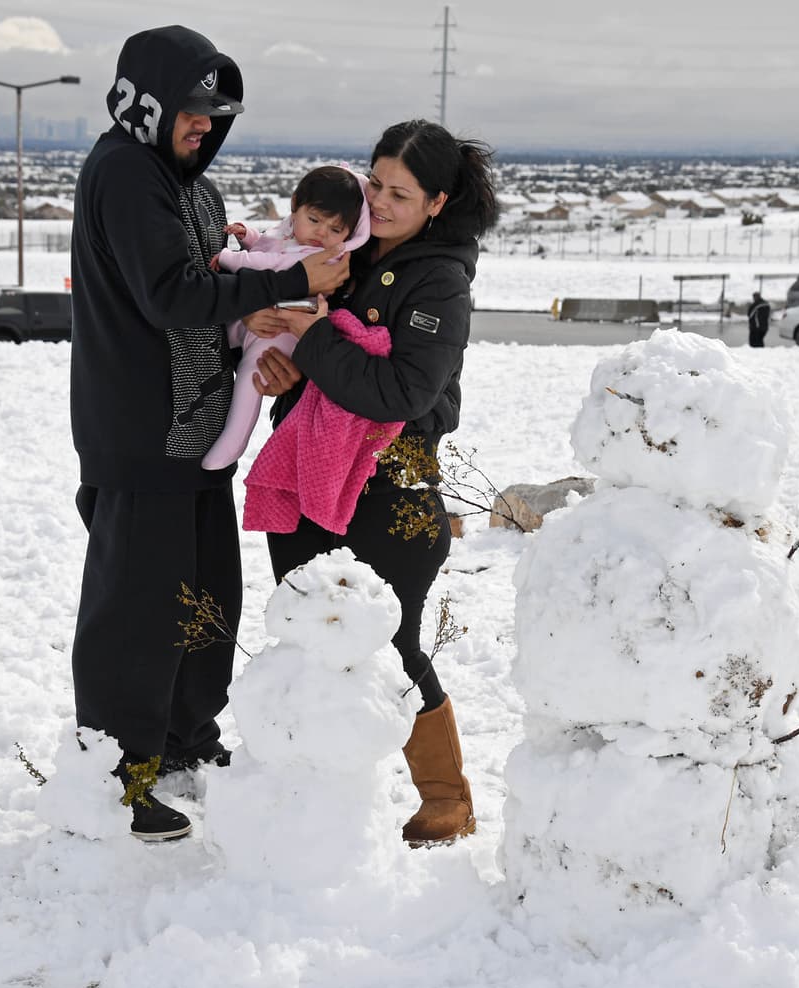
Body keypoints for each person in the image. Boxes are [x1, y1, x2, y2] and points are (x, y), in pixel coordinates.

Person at [68, 24, 350, 842]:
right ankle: (123, 775)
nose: (205, 125)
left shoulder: (190, 186)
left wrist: (257, 318)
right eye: (193, 111)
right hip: (138, 430)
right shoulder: (126, 173)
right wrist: (296, 278)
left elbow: (209, 291)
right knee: (137, 612)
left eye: (216, 114)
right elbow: (166, 293)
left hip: (196, 429)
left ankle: (188, 741)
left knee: (204, 598)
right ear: (148, 104)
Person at [246, 118, 499, 847]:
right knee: (306, 642)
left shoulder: (439, 281)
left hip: (392, 497)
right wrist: (286, 369)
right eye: (376, 183)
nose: (380, 202)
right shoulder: (345, 251)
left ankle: (445, 799)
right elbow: (323, 374)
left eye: (401, 193)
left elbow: (398, 394)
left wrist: (314, 338)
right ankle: (312, 802)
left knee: (392, 649)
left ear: (438, 203)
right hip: (311, 483)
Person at [202, 166, 370, 469]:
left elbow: (274, 263)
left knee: (250, 382)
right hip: (261, 321)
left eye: (335, 230)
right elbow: (272, 242)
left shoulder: (325, 257)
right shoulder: (293, 234)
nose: (322, 234)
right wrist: (250, 236)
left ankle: (231, 445)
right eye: (315, 220)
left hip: (282, 332)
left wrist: (231, 257)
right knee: (209, 345)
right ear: (295, 207)